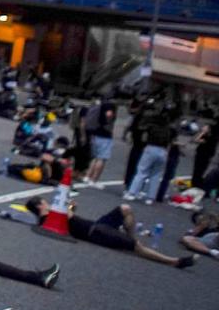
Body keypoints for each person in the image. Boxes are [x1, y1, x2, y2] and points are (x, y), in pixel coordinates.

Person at [25, 197, 197, 268]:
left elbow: (71, 213)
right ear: (40, 205)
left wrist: (70, 205)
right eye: (45, 201)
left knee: (124, 208)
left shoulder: (52, 215)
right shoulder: (47, 219)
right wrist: (66, 206)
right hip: (96, 233)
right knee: (135, 247)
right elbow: (67, 216)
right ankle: (174, 261)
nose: (48, 202)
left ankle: (130, 237)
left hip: (97, 225)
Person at [125, 101, 176, 203]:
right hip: (163, 151)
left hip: (151, 147)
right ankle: (150, 198)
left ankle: (132, 193)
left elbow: (143, 135)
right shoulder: (170, 129)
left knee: (142, 171)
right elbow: (171, 141)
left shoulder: (152, 126)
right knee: (156, 175)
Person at [82, 96, 116, 184]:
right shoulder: (109, 105)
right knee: (101, 158)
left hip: (95, 133)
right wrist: (109, 121)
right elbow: (109, 114)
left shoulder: (100, 105)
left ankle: (87, 176)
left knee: (95, 157)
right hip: (105, 135)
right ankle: (94, 179)